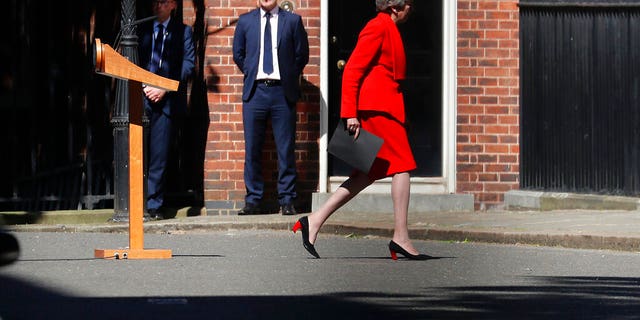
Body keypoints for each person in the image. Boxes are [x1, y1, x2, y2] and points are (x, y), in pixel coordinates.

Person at [292, 0, 430, 260]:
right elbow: (353, 69)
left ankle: (314, 220)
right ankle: (400, 236)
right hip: (377, 109)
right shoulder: (377, 27)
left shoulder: (389, 28)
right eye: (408, 4)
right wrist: (350, 114)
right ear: (395, 7)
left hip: (387, 108)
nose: (411, 8)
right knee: (402, 166)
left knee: (365, 175)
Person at [232, 0, 309, 216]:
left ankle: (286, 199)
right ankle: (253, 200)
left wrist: (289, 75)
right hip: (255, 92)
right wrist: (250, 69)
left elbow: (302, 54)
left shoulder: (293, 21)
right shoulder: (246, 21)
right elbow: (238, 53)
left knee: (285, 149)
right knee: (252, 148)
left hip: (281, 92)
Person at [138, 0, 195, 219]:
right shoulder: (141, 30)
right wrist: (145, 86)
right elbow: (132, 62)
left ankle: (154, 204)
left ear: (172, 5)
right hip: (141, 98)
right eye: (155, 2)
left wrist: (164, 87)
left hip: (167, 101)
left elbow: (188, 64)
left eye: (162, 2)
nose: (156, 6)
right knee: (137, 153)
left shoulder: (183, 32)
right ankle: (136, 203)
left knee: (158, 156)